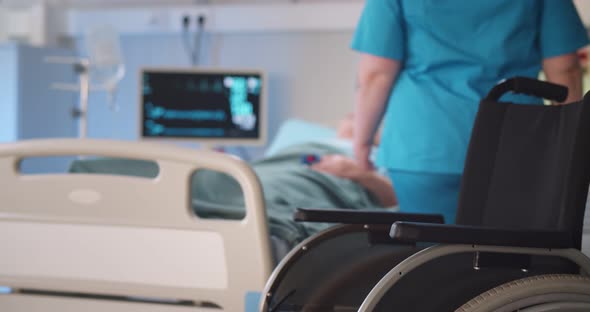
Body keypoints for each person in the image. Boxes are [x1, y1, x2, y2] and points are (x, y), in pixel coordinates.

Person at [351, 0, 589, 224]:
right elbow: (565, 69)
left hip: (424, 145)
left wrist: (362, 142)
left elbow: (376, 75)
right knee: (511, 252)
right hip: (516, 139)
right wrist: (570, 144)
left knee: (430, 255)